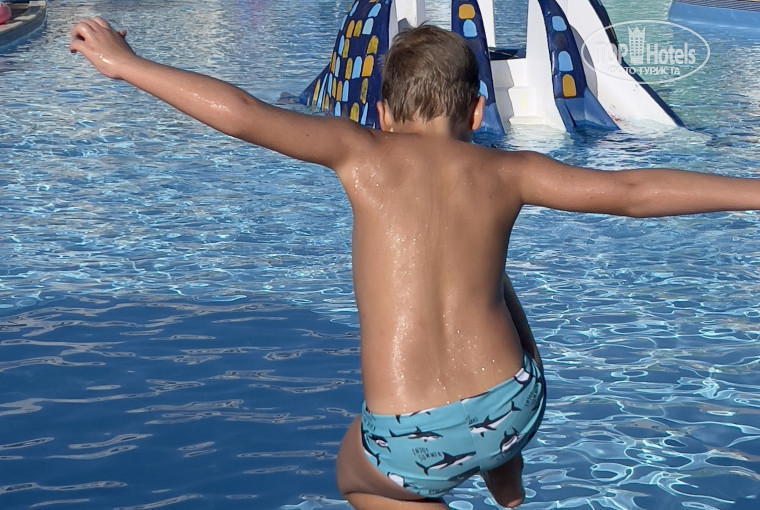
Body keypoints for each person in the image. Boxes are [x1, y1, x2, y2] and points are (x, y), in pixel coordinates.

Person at [70, 19, 760, 509]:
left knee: (354, 477)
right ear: (478, 111)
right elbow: (634, 193)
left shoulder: (360, 153)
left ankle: (468, 477)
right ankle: (505, 474)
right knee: (489, 279)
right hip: (514, 404)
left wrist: (125, 63)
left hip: (411, 439)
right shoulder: (510, 172)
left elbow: (242, 113)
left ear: (381, 112)